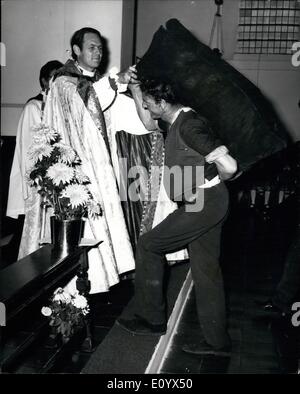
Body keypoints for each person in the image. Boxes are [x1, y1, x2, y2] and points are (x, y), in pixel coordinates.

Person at [117, 79, 237, 356]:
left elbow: (230, 165)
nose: (145, 105)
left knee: (149, 244)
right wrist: (136, 90)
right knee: (206, 270)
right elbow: (148, 124)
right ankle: (217, 342)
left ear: (162, 103)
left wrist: (216, 179)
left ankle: (152, 320)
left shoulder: (189, 126)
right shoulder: (176, 118)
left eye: (149, 101)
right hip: (208, 200)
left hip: (204, 202)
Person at [6, 60, 63, 259]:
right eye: (54, 78)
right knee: (31, 230)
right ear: (44, 81)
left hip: (56, 176)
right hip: (38, 178)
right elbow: (28, 147)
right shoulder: (34, 107)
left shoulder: (59, 108)